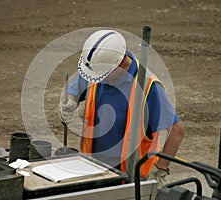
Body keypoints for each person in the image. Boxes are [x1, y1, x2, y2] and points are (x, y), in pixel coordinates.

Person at [58, 29, 184, 189]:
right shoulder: (98, 68)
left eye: (102, 75)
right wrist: (69, 103)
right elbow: (73, 92)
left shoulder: (148, 87)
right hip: (93, 169)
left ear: (120, 64)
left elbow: (177, 130)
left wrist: (160, 169)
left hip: (131, 178)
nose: (98, 79)